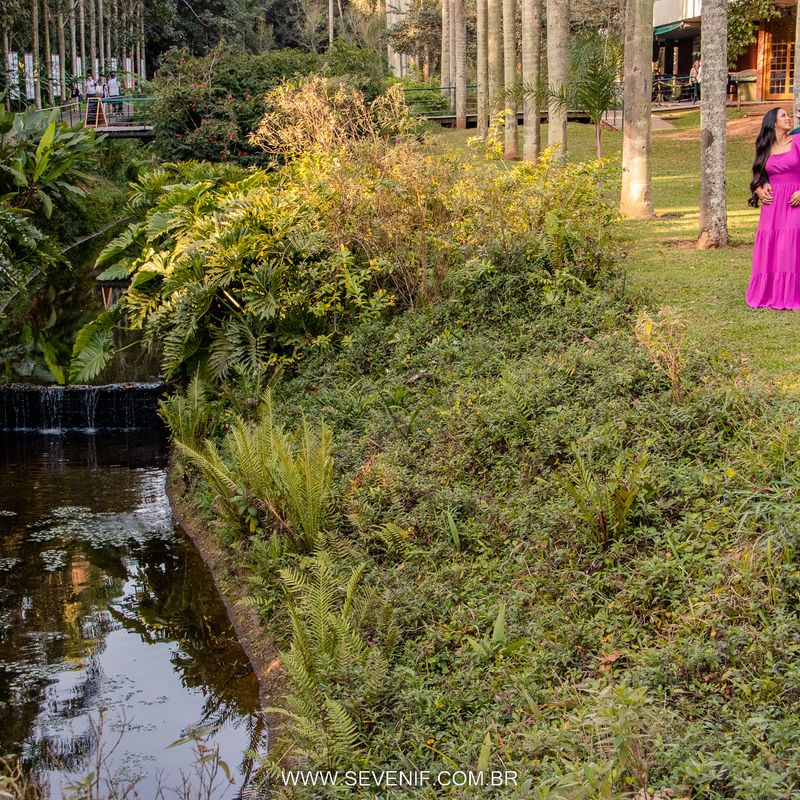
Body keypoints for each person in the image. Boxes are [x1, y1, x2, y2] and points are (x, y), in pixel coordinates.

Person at [747, 108, 800, 309]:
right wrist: (759, 189)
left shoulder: (798, 141)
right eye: (784, 116)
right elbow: (758, 174)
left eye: (789, 115)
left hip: (794, 201)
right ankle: (770, 292)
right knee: (772, 246)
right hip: (772, 204)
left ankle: (790, 293)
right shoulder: (764, 147)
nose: (789, 118)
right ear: (773, 122)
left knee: (790, 245)